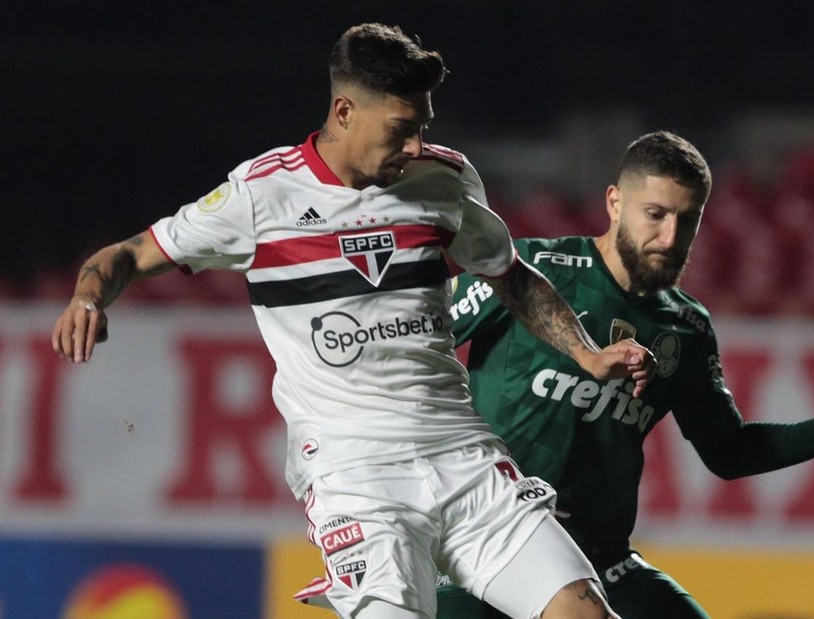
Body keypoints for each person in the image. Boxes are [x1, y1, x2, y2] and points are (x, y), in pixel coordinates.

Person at [50, 23, 658, 619]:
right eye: (401, 129)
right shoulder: (263, 197)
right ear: (344, 111)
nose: (415, 146)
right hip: (356, 474)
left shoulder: (443, 179)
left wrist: (587, 354)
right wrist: (87, 299)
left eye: (423, 127)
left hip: (464, 455)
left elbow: (510, 274)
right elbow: (126, 255)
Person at [436, 130, 814, 619]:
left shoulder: (685, 328)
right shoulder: (527, 273)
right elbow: (414, 337)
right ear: (615, 202)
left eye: (687, 220)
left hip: (603, 565)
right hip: (488, 552)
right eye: (656, 215)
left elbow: (728, 451)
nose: (670, 238)